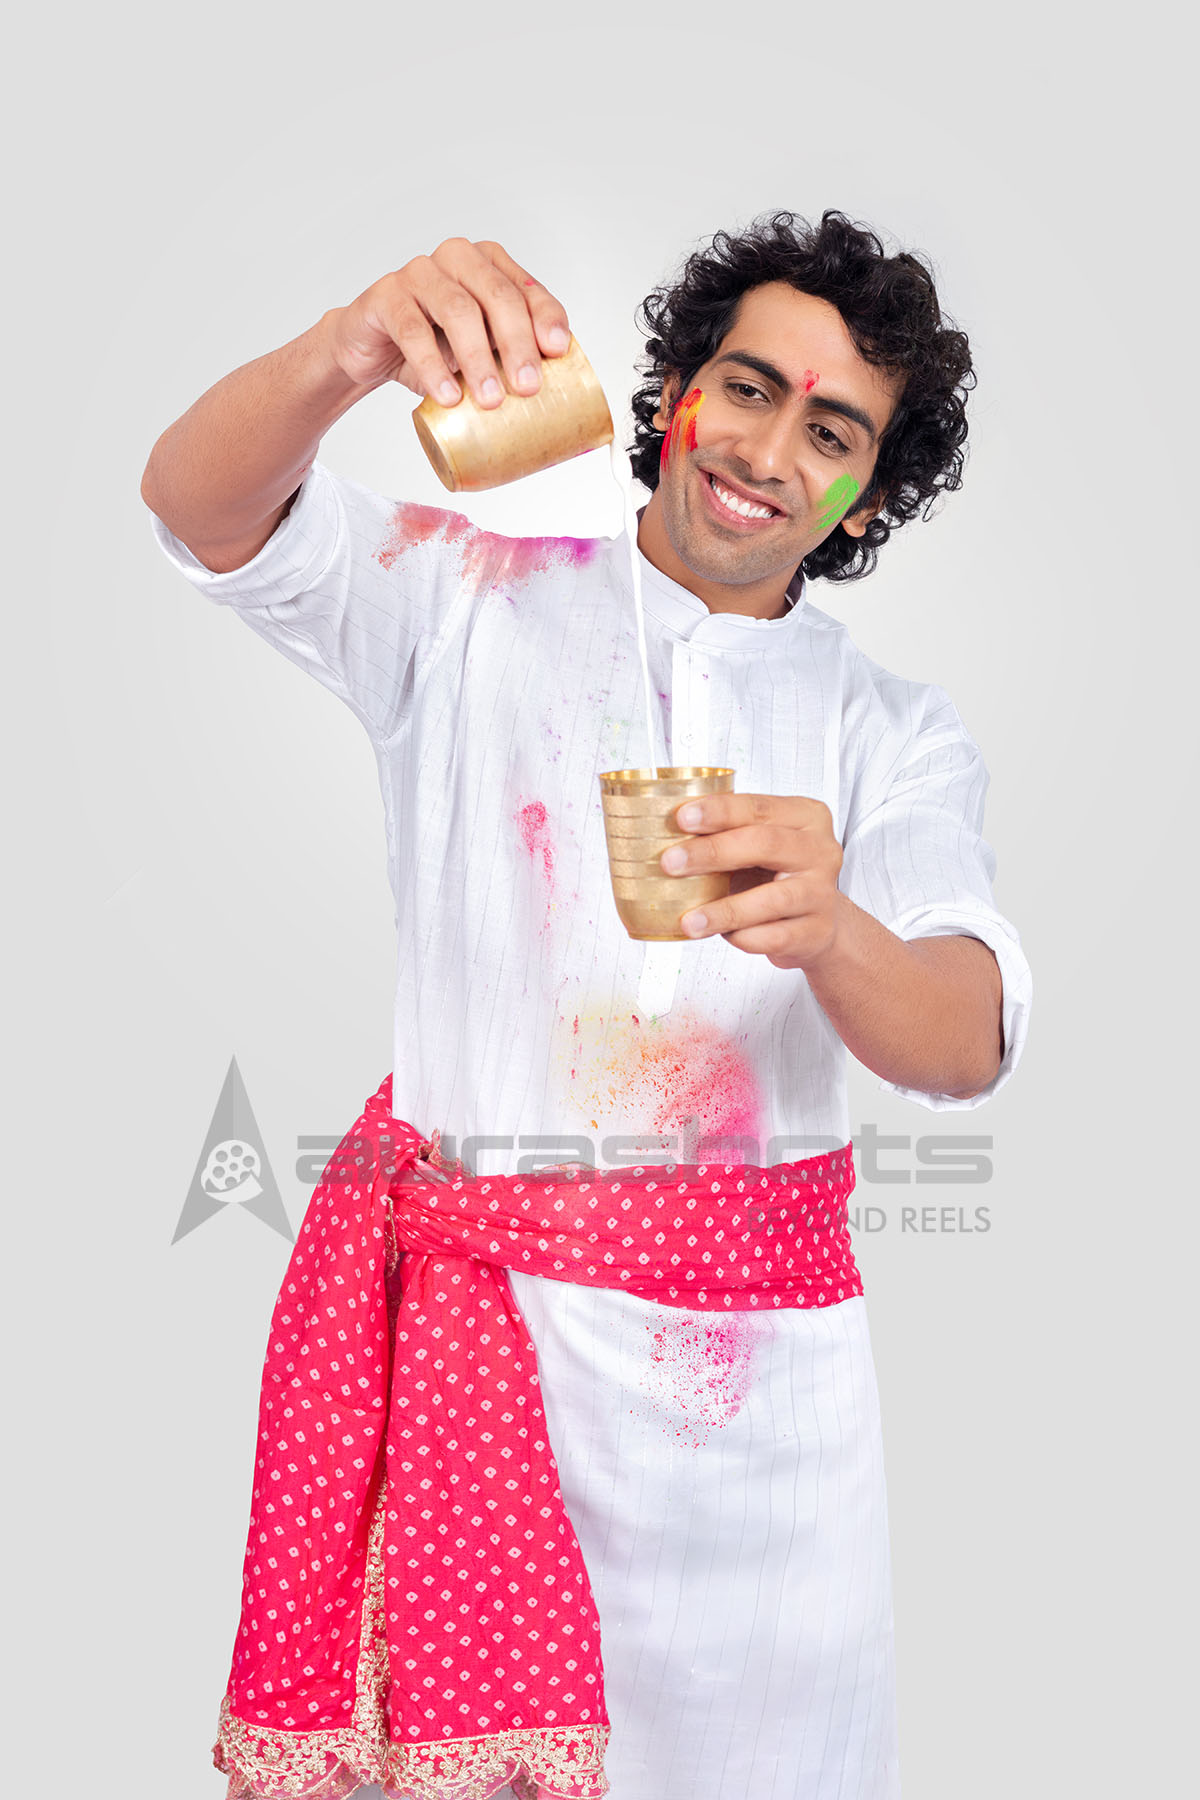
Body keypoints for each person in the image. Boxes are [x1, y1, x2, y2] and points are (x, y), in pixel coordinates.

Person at [142, 211, 1032, 1800]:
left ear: (870, 497)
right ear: (677, 390)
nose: (766, 448)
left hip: (761, 1442)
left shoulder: (890, 732)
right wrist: (352, 346)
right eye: (744, 387)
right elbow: (200, 504)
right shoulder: (459, 602)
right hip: (479, 1393)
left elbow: (963, 1037)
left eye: (830, 431)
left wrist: (834, 934)